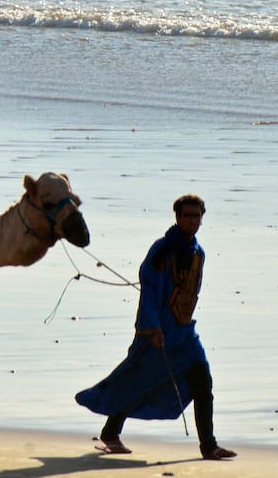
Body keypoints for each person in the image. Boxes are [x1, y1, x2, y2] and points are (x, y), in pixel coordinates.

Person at [75, 194, 237, 460]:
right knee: (136, 382)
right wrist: (152, 328)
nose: (192, 221)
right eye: (187, 215)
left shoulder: (199, 253)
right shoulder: (161, 250)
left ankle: (209, 445)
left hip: (185, 334)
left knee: (202, 381)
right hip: (157, 333)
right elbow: (148, 290)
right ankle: (110, 432)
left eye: (196, 216)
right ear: (177, 217)